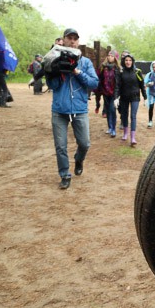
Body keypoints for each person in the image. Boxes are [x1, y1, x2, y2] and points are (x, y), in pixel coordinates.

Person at [46, 28, 98, 190]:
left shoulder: (85, 62)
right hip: (59, 110)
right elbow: (52, 86)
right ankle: (65, 174)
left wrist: (76, 71)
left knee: (85, 143)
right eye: (70, 38)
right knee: (60, 146)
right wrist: (55, 72)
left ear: (78, 41)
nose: (73, 41)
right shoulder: (56, 59)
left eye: (75, 38)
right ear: (64, 40)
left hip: (79, 109)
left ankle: (79, 159)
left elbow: (94, 83)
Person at [115, 52, 146, 146]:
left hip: (135, 97)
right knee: (124, 115)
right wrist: (116, 98)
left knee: (133, 116)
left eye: (130, 60)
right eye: (126, 60)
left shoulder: (137, 72)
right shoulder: (120, 72)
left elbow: (142, 85)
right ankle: (125, 133)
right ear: (124, 62)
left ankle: (132, 137)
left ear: (133, 61)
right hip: (124, 97)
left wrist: (145, 97)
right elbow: (117, 86)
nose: (128, 62)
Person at [97, 50, 120, 137]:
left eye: (111, 55)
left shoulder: (117, 68)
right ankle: (109, 127)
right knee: (107, 111)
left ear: (115, 58)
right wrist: (99, 90)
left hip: (114, 93)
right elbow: (100, 78)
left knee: (112, 110)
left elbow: (119, 82)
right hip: (105, 92)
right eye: (108, 55)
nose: (109, 57)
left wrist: (118, 94)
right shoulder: (103, 67)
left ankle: (113, 129)